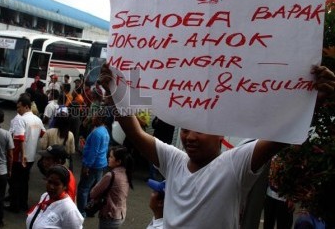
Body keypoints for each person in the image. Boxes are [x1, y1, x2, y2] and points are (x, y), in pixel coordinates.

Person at [98, 63, 335, 228]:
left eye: (199, 130)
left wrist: (313, 100)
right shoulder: (174, 161)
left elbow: (281, 134)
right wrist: (113, 94)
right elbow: (134, 132)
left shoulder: (235, 165)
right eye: (186, 129)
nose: (190, 137)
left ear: (220, 133)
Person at [77, 107, 110, 217]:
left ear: (100, 119)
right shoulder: (105, 130)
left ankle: (82, 212)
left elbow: (93, 152)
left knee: (83, 188)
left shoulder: (97, 133)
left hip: (93, 165)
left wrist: (86, 166)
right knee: (95, 188)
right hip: (101, 163)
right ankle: (89, 209)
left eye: (95, 116)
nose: (93, 118)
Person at [89, 145, 134, 228]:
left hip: (109, 216)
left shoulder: (110, 175)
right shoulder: (126, 173)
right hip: (120, 214)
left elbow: (92, 193)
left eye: (111, 157)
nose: (108, 158)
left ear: (118, 161)